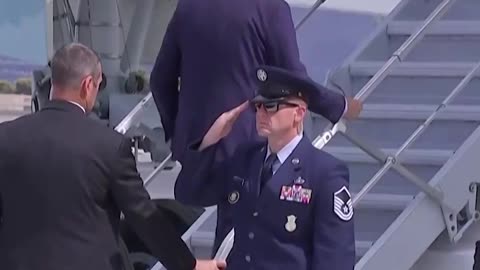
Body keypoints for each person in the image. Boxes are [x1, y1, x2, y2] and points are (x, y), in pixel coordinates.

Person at [150, 0, 362, 255]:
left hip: (206, 151)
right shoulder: (270, 7)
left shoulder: (190, 6)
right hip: (253, 152)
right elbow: (293, 81)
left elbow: (161, 80)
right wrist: (340, 106)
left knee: (229, 247)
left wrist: (180, 140)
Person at [0, 43, 225, 270]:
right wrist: (189, 265)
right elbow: (144, 217)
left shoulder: (6, 138)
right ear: (88, 85)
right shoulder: (109, 146)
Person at [174, 65, 355, 269]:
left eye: (271, 106)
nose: (261, 113)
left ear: (299, 113)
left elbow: (335, 259)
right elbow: (188, 194)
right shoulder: (245, 158)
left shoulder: (324, 172)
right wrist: (209, 140)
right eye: (257, 106)